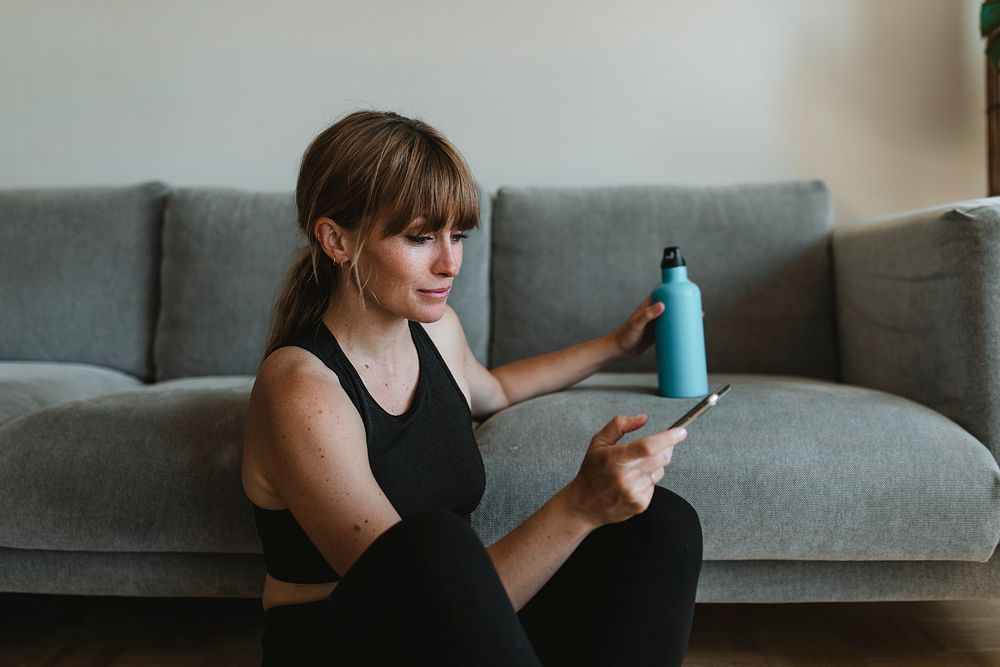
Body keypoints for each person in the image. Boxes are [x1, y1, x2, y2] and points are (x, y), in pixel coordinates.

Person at [241, 109, 703, 666]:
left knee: (658, 522)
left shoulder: (436, 334)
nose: (450, 261)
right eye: (419, 238)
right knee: (430, 543)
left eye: (456, 235)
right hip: (344, 641)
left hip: (453, 628)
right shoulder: (302, 388)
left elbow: (497, 389)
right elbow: (412, 603)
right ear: (336, 239)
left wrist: (615, 346)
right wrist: (579, 506)